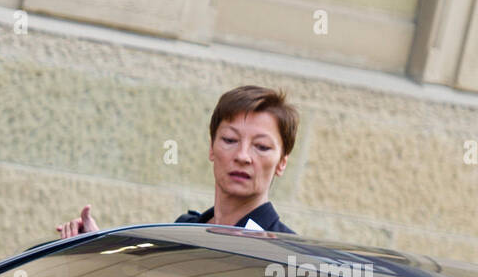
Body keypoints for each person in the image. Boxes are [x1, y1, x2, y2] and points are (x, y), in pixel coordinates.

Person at [56, 85, 298, 238]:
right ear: (212, 148)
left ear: (281, 163)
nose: (243, 156)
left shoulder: (285, 254)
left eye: (262, 147)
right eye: (230, 140)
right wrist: (92, 245)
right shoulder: (184, 229)